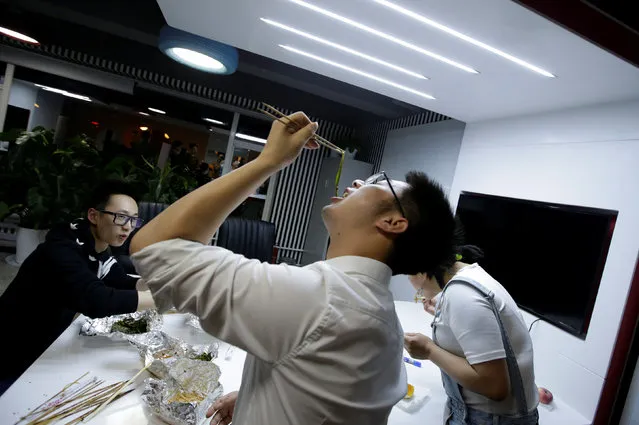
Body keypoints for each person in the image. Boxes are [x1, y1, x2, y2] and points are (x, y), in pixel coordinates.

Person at [128, 111, 457, 425]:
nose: (358, 181)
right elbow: (327, 392)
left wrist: (269, 161)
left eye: (377, 182)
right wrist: (260, 397)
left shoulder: (320, 298)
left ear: (391, 222)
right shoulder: (376, 311)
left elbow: (154, 248)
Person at [0, 180, 155, 394]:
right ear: (94, 215)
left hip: (47, 346)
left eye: (133, 219)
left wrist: (154, 283)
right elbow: (97, 300)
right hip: (12, 349)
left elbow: (119, 279)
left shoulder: (99, 246)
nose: (128, 226)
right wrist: (162, 299)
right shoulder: (63, 248)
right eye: (120, 217)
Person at [404, 245, 539, 425]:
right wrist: (446, 314)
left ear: (421, 269)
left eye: (407, 272)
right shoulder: (472, 274)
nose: (409, 281)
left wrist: (429, 350)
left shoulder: (462, 295)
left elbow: (494, 387)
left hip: (489, 419)